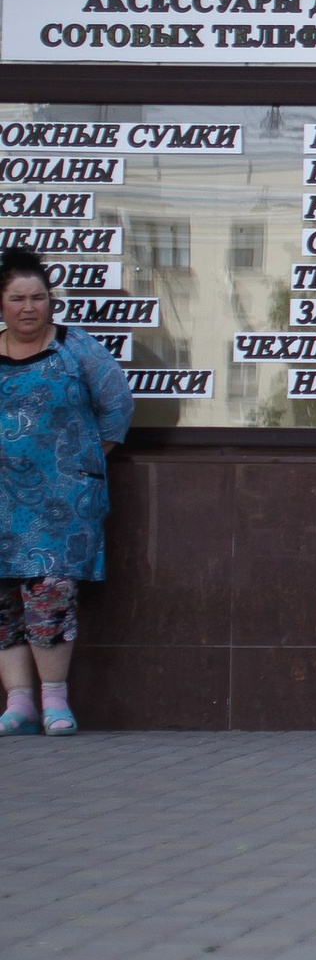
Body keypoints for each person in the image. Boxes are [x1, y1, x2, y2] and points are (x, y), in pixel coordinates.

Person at [0, 246, 134, 737]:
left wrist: (83, 462)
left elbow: (116, 406)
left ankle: (55, 701)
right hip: (0, 500)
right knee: (3, 605)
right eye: (17, 298)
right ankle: (19, 704)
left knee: (48, 595)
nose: (29, 307)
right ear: (2, 304)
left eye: (38, 297)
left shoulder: (77, 350)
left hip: (61, 503)